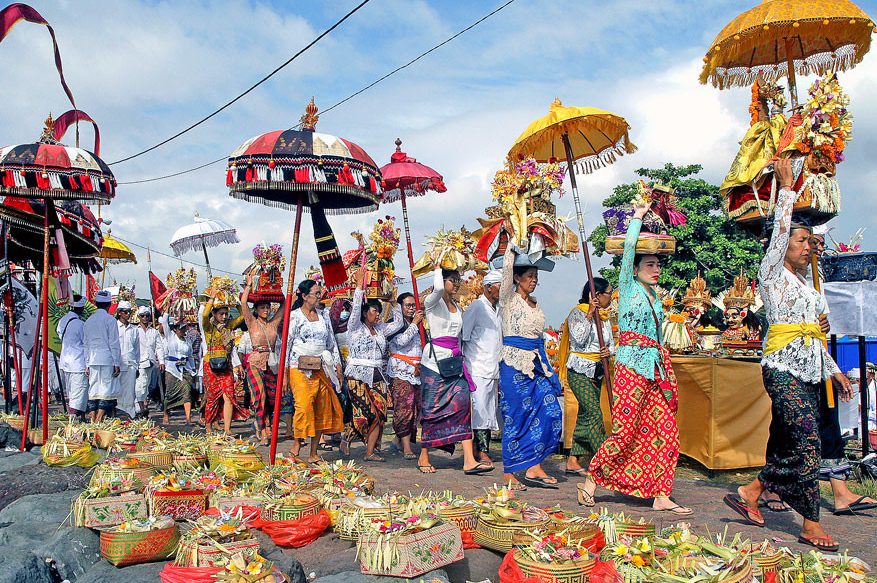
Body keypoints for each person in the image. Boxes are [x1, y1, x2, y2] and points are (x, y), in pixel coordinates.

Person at [723, 159, 854, 551]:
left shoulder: (808, 287)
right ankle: (811, 523)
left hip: (809, 372)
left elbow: (813, 336)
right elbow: (780, 233)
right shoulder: (772, 273)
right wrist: (785, 191)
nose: (806, 247)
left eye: (810, 242)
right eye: (800, 242)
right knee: (808, 444)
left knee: (788, 444)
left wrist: (835, 371)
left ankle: (751, 491)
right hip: (781, 370)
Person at [579, 202, 692, 515]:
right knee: (626, 431)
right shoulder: (628, 289)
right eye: (650, 265)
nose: (656, 270)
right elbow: (629, 250)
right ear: (635, 269)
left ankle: (661, 494)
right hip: (631, 366)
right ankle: (592, 478)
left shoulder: (656, 296)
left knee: (666, 431)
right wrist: (638, 218)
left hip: (656, 367)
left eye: (658, 265)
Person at [806, 229, 877, 516]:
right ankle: (761, 489)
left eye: (819, 243)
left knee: (828, 421)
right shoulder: (786, 280)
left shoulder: (814, 278)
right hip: (792, 365)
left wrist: (833, 370)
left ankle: (840, 492)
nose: (817, 249)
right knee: (789, 431)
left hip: (817, 360)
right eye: (810, 242)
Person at [418, 258, 491, 477]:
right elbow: (439, 289)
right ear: (442, 281)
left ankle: (469, 460)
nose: (457, 284)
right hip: (434, 364)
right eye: (452, 280)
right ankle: (423, 456)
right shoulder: (433, 302)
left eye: (458, 280)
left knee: (463, 404)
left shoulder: (457, 307)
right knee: (431, 409)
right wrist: (437, 267)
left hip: (455, 362)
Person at [498, 242, 562, 489]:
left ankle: (534, 466)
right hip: (513, 365)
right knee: (516, 417)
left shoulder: (536, 304)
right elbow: (506, 272)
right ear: (517, 278)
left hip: (536, 364)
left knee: (551, 411)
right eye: (530, 276)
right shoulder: (509, 300)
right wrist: (512, 247)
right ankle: (510, 472)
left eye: (536, 276)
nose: (534, 280)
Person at [286, 279, 344, 462]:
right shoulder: (294, 316)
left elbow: (331, 343)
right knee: (303, 406)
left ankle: (313, 453)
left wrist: (337, 365)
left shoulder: (324, 316)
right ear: (304, 296)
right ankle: (296, 446)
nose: (320, 296)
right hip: (298, 367)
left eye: (320, 293)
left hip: (322, 367)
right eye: (317, 293)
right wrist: (285, 374)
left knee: (322, 408)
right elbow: (287, 345)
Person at [560, 278, 613, 476]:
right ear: (596, 295)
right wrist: (590, 314)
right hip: (579, 369)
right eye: (608, 293)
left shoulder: (605, 317)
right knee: (594, 414)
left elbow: (610, 343)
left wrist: (608, 351)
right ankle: (605, 460)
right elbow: (579, 339)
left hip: (597, 370)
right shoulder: (578, 313)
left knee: (585, 415)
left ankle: (573, 460)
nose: (611, 298)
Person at [342, 268, 393, 462]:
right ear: (365, 313)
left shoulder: (380, 330)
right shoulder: (355, 327)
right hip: (357, 375)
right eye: (374, 310)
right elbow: (355, 308)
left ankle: (369, 452)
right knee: (365, 414)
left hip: (378, 375)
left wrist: (393, 302)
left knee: (379, 414)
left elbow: (397, 324)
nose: (377, 314)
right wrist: (359, 286)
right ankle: (347, 436)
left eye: (379, 311)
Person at [461, 270, 502, 464]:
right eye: (500, 285)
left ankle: (482, 449)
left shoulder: (499, 309)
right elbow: (464, 335)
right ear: (488, 287)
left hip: (493, 367)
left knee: (489, 409)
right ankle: (480, 451)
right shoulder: (477, 307)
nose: (502, 289)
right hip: (476, 367)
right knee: (479, 410)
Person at [241, 272, 287, 445]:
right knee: (259, 396)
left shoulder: (273, 323)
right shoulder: (251, 322)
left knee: (273, 398)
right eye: (262, 307)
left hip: (272, 363)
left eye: (268, 307)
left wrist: (277, 286)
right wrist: (249, 284)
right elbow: (243, 303)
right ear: (256, 310)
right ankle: (263, 429)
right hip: (255, 362)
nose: (266, 310)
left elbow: (284, 305)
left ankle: (267, 424)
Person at [201, 290, 249, 434]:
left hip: (226, 365)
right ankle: (208, 425)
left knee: (229, 395)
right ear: (214, 314)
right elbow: (204, 315)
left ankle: (227, 429)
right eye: (221, 314)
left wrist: (236, 302)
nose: (224, 317)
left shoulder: (229, 326)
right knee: (212, 397)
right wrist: (212, 299)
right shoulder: (208, 327)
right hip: (211, 365)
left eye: (226, 314)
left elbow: (243, 316)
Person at [386, 292, 424, 460]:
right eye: (408, 305)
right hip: (400, 371)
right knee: (404, 408)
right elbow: (401, 342)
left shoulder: (420, 325)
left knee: (416, 408)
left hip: (417, 371)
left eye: (413, 305)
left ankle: (398, 440)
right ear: (400, 307)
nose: (411, 308)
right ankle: (407, 448)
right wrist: (414, 324)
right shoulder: (394, 324)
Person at [83, 290, 122, 422]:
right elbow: (114, 342)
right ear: (109, 304)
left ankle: (93, 418)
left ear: (95, 303)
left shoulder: (88, 321)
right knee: (106, 389)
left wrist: (87, 364)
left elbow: (86, 344)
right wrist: (116, 362)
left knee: (93, 389)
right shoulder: (110, 320)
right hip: (107, 358)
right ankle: (98, 419)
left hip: (93, 359)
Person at [159, 314, 196, 426]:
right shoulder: (170, 336)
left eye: (184, 328)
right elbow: (164, 322)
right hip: (172, 369)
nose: (183, 330)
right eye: (181, 328)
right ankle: (166, 414)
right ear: (175, 329)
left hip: (185, 369)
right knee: (170, 393)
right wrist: (166, 310)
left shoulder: (188, 340)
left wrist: (193, 369)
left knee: (187, 391)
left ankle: (188, 418)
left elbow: (190, 356)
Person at [57, 295, 87, 418]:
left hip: (66, 362)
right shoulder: (80, 324)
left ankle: (77, 417)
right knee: (78, 393)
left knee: (71, 392)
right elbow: (86, 343)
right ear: (81, 308)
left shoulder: (62, 321)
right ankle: (73, 419)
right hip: (78, 363)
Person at [115, 301, 140, 419]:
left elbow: (137, 350)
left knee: (130, 392)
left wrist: (137, 366)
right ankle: (118, 415)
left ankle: (130, 416)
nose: (128, 314)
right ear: (120, 313)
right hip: (118, 364)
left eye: (129, 312)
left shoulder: (134, 329)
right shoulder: (114, 327)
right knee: (117, 392)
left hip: (131, 364)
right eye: (125, 312)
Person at [135, 307, 160, 418]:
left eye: (147, 315)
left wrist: (161, 361)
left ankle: (143, 405)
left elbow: (159, 347)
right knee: (140, 384)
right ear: (139, 317)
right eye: (142, 316)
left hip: (151, 361)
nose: (145, 318)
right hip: (140, 362)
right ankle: (140, 408)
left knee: (149, 385)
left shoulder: (154, 331)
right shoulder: (135, 330)